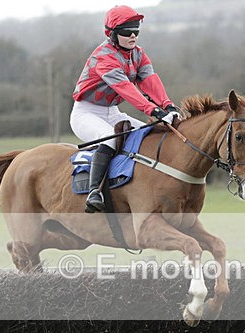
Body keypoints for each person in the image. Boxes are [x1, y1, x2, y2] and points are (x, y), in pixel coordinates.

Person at [70, 5, 181, 213]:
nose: (133, 36)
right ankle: (94, 192)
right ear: (111, 34)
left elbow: (150, 81)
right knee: (110, 138)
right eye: (126, 32)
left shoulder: (138, 55)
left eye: (136, 31)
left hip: (112, 112)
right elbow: (126, 89)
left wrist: (167, 104)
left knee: (148, 134)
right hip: (86, 112)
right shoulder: (103, 57)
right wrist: (153, 111)